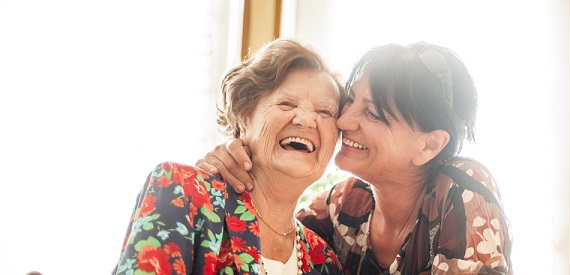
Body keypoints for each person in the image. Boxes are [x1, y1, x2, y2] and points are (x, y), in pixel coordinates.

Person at [197, 42, 513, 274]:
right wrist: (238, 151)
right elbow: (275, 227)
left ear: (429, 146)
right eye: (350, 102)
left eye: (373, 113)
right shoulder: (341, 208)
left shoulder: (461, 188)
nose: (343, 121)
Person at [114, 38, 345, 275]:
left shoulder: (324, 260)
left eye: (325, 112)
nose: (306, 120)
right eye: (287, 104)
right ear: (243, 116)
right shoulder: (184, 192)